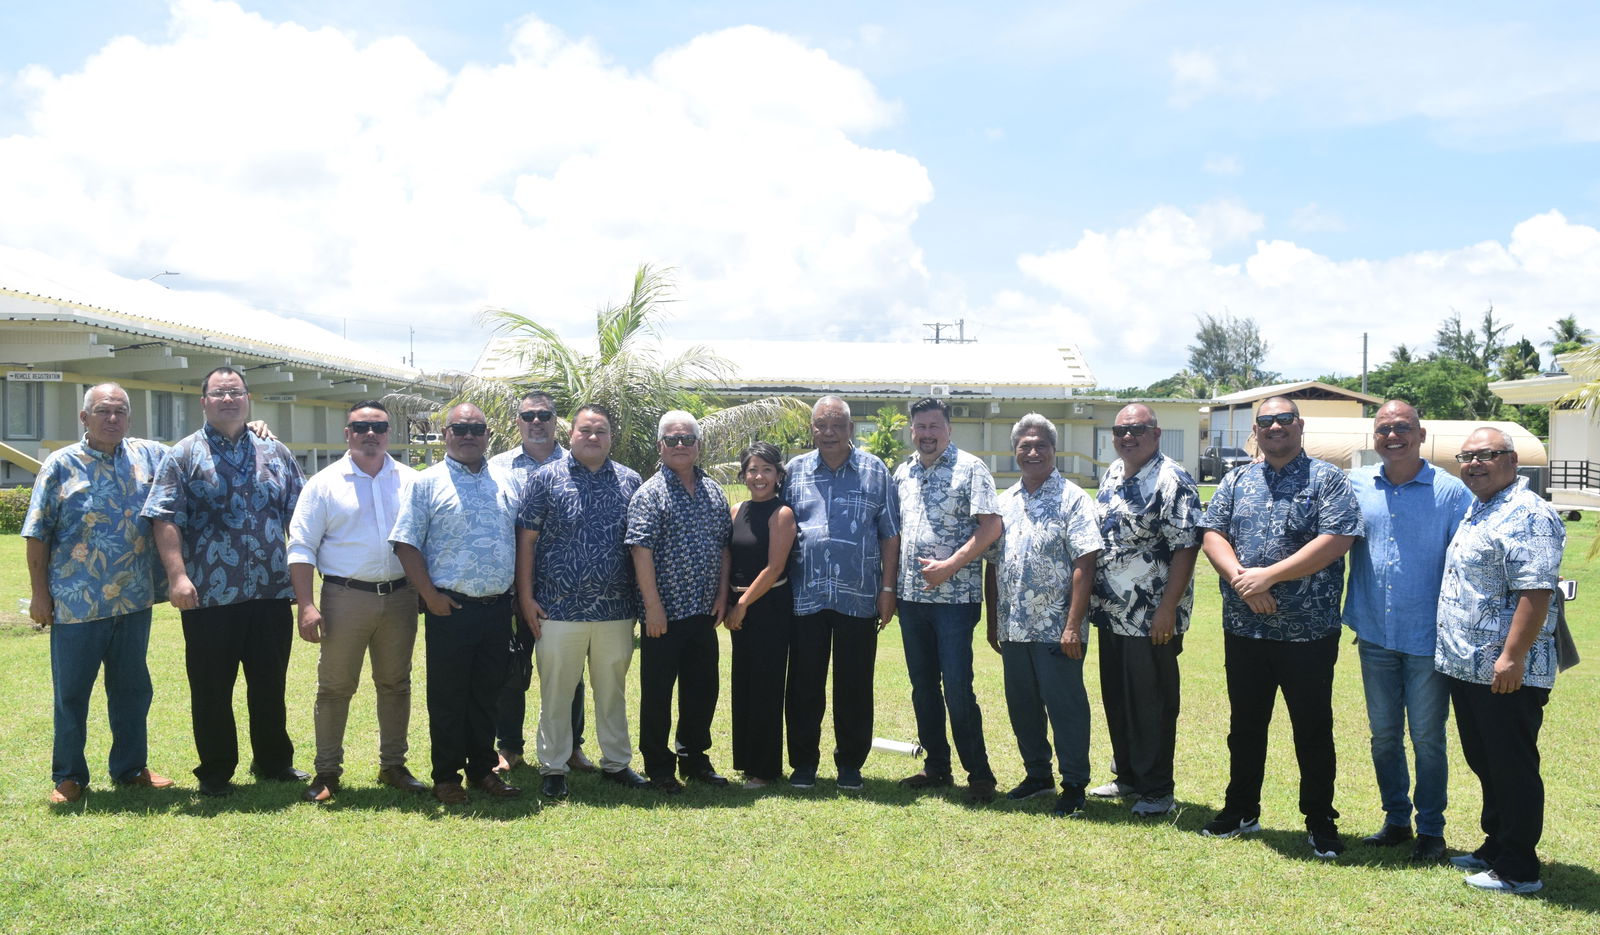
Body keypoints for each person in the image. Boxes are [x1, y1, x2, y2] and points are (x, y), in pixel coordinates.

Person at [1198, 396, 1362, 857]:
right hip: (1245, 629)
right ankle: (1241, 809)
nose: (1275, 427)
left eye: (1284, 419)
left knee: (1312, 729)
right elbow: (1212, 533)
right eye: (1266, 421)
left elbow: (1337, 540)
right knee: (1245, 726)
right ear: (1256, 430)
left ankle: (1320, 819)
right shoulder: (1237, 480)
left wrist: (1268, 576)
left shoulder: (1328, 479)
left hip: (1308, 632)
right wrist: (1243, 581)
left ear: (1299, 424)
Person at [143, 366, 308, 797]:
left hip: (271, 591)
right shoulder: (183, 454)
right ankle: (216, 770)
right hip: (209, 595)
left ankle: (274, 762)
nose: (228, 399)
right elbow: (165, 518)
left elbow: (300, 515)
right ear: (204, 402)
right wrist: (177, 576)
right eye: (219, 393)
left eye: (236, 392)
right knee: (211, 688)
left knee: (270, 683)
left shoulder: (275, 451)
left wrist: (305, 578)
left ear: (248, 398)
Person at [23, 383, 177, 803]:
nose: (113, 419)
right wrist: (39, 595)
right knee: (72, 693)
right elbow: (37, 534)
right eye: (104, 411)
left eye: (120, 411)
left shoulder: (148, 456)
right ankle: (69, 776)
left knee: (133, 691)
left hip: (133, 600)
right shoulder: (60, 465)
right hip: (77, 604)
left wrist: (253, 428)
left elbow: (195, 454)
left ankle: (131, 768)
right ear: (84, 417)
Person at [1343, 400, 1473, 860]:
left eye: (1402, 427)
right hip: (1374, 633)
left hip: (1428, 639)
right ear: (1374, 437)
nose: (1392, 436)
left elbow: (1471, 560)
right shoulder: (1356, 485)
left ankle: (1431, 830)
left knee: (1427, 738)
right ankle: (1396, 820)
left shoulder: (1452, 493)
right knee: (1383, 736)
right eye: (1383, 429)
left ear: (1421, 435)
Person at [1437, 427, 1565, 894]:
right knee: (1486, 761)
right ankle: (1496, 845)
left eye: (1486, 455)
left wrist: (1512, 657)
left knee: (1512, 766)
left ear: (1511, 460)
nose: (1474, 464)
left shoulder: (1529, 514)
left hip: (1507, 671)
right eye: (1466, 457)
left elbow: (1536, 591)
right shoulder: (1483, 506)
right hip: (1468, 666)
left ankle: (1518, 868)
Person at [287, 400, 427, 802]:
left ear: (389, 433)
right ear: (347, 433)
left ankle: (393, 765)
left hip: (400, 597)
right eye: (361, 426)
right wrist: (306, 604)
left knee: (396, 683)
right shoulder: (324, 484)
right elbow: (301, 546)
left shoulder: (411, 481)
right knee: (335, 687)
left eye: (379, 426)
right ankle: (327, 771)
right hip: (344, 597)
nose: (370, 434)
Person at [389, 403, 522, 803]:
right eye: (459, 428)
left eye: (476, 429)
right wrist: (430, 596)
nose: (468, 435)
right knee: (448, 696)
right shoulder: (426, 483)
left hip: (498, 608)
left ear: (487, 435)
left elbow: (518, 540)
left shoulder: (506, 481)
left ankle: (482, 770)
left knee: (487, 694)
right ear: (445, 434)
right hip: (451, 608)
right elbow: (405, 543)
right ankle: (446, 776)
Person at [515, 403, 648, 799]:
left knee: (612, 691)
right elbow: (527, 540)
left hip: (615, 609)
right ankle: (554, 767)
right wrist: (525, 597)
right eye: (585, 430)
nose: (593, 437)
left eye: (600, 431)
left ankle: (616, 763)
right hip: (557, 608)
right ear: (570, 434)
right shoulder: (545, 478)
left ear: (611, 437)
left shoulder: (630, 480)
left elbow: (639, 545)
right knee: (556, 692)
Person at [983, 414, 1103, 817]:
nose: (1033, 452)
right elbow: (992, 564)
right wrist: (993, 621)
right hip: (1014, 627)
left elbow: (1085, 562)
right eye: (1025, 446)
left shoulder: (1074, 499)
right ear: (1014, 451)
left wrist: (1072, 626)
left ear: (1054, 450)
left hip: (1057, 629)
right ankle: (1037, 775)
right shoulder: (1004, 503)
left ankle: (1074, 784)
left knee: (1066, 708)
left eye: (1041, 445)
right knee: (1023, 706)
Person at [1088, 404, 1201, 818]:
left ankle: (1157, 789)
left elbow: (1186, 546)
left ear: (1156, 433)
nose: (1127, 437)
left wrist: (1167, 609)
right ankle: (1128, 776)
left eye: (1137, 429)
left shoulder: (1173, 480)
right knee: (1118, 697)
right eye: (1120, 430)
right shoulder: (1114, 473)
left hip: (1150, 616)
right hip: (1111, 611)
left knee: (1151, 702)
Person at [784, 397, 900, 791]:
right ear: (812, 429)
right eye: (821, 425)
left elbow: (889, 534)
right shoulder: (795, 471)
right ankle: (803, 764)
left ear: (851, 429)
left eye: (837, 425)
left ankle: (850, 764)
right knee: (804, 684)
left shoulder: (875, 470)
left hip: (859, 594)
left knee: (854, 684)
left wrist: (887, 589)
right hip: (805, 595)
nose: (829, 432)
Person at [894, 397, 1002, 802]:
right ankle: (937, 766)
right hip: (911, 597)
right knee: (922, 686)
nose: (927, 434)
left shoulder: (971, 469)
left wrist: (949, 566)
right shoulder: (902, 472)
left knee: (957, 687)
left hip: (955, 600)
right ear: (912, 430)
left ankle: (980, 774)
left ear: (949, 430)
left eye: (934, 426)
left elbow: (991, 527)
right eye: (920, 427)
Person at [626, 410, 732, 793]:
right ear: (661, 446)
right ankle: (659, 767)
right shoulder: (649, 494)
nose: (681, 445)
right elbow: (640, 551)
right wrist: (652, 606)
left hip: (703, 612)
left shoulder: (713, 491)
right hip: (664, 616)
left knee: (702, 691)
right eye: (672, 439)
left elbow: (724, 546)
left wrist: (722, 594)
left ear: (698, 445)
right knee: (658, 694)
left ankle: (694, 758)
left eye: (688, 438)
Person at [489, 391, 593, 775]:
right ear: (518, 421)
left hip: (563, 592)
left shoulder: (576, 464)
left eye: (544, 415)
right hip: (508, 589)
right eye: (529, 416)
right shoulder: (497, 468)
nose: (537, 422)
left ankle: (571, 746)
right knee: (510, 669)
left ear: (556, 421)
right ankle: (509, 747)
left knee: (570, 673)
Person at [725, 442, 798, 788]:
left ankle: (766, 769)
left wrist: (742, 605)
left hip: (769, 607)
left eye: (767, 470)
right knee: (744, 683)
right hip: (738, 605)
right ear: (743, 475)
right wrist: (727, 600)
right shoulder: (736, 509)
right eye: (753, 469)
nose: (759, 477)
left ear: (778, 475)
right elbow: (728, 558)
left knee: (766, 686)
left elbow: (774, 568)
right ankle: (747, 760)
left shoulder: (782, 514)